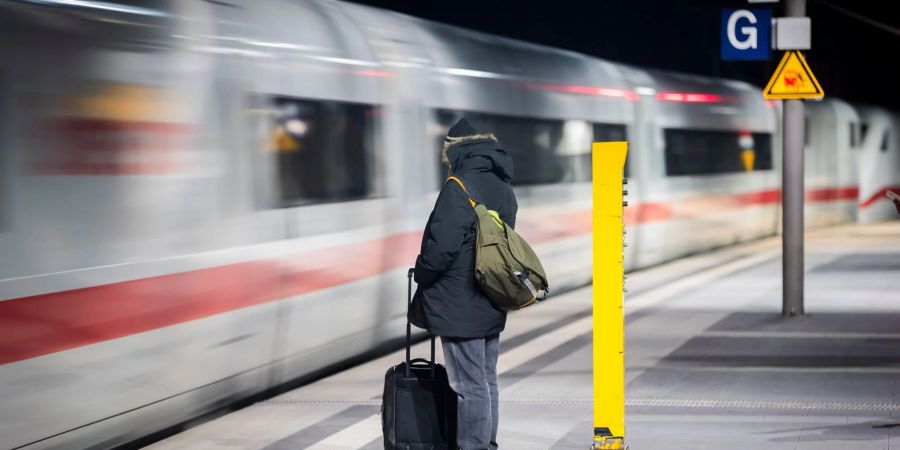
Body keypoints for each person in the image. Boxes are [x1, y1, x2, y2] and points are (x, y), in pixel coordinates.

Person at [409, 118, 517, 450]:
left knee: (467, 384)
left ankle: (473, 447)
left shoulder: (459, 186)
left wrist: (422, 273)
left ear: (454, 150)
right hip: (490, 294)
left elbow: (440, 248)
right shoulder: (503, 187)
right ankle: (488, 443)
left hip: (459, 301)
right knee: (486, 379)